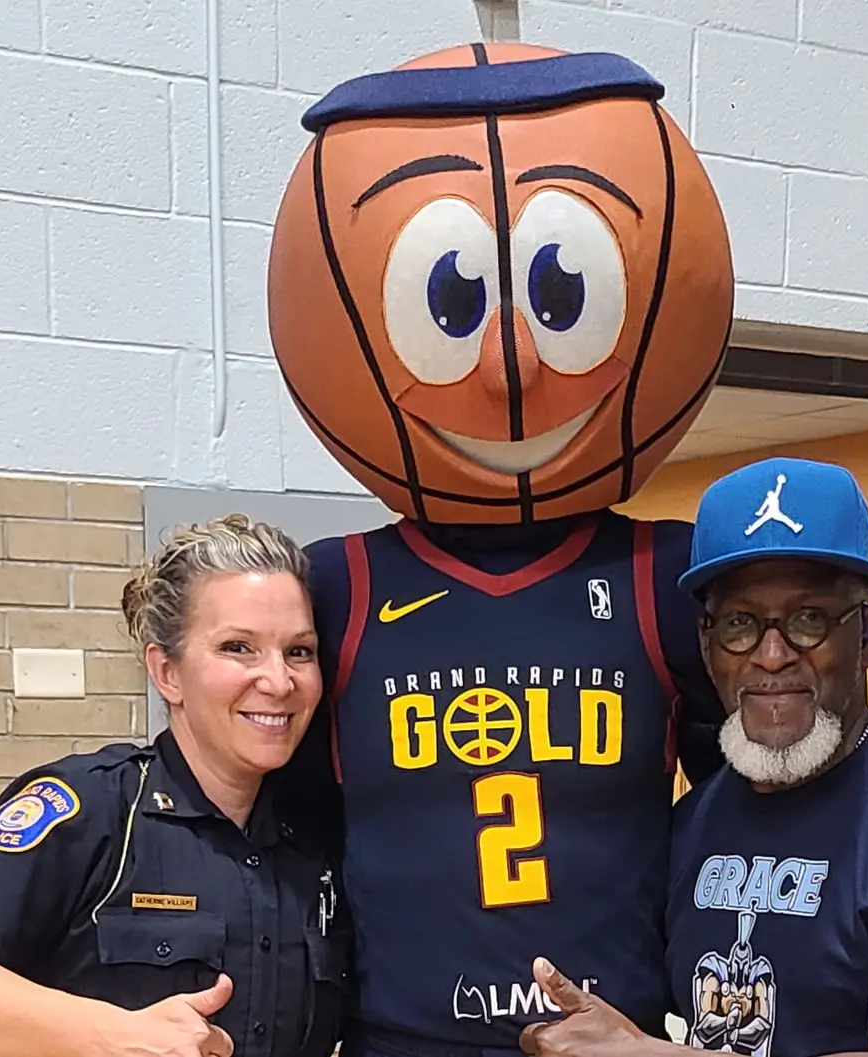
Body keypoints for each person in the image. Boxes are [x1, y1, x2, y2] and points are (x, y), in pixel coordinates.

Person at [264, 42, 738, 1057]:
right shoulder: (335, 585)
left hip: (613, 1040)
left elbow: (751, 816)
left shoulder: (663, 576)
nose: (512, 365)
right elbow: (272, 818)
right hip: (395, 1037)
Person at [517, 457, 868, 1057]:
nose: (771, 656)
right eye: (741, 623)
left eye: (807, 620)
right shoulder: (696, 822)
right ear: (707, 644)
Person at [0, 514, 352, 1057]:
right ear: (166, 673)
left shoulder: (319, 838)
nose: (278, 681)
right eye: (237, 648)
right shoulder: (93, 807)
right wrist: (117, 1036)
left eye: (299, 651)